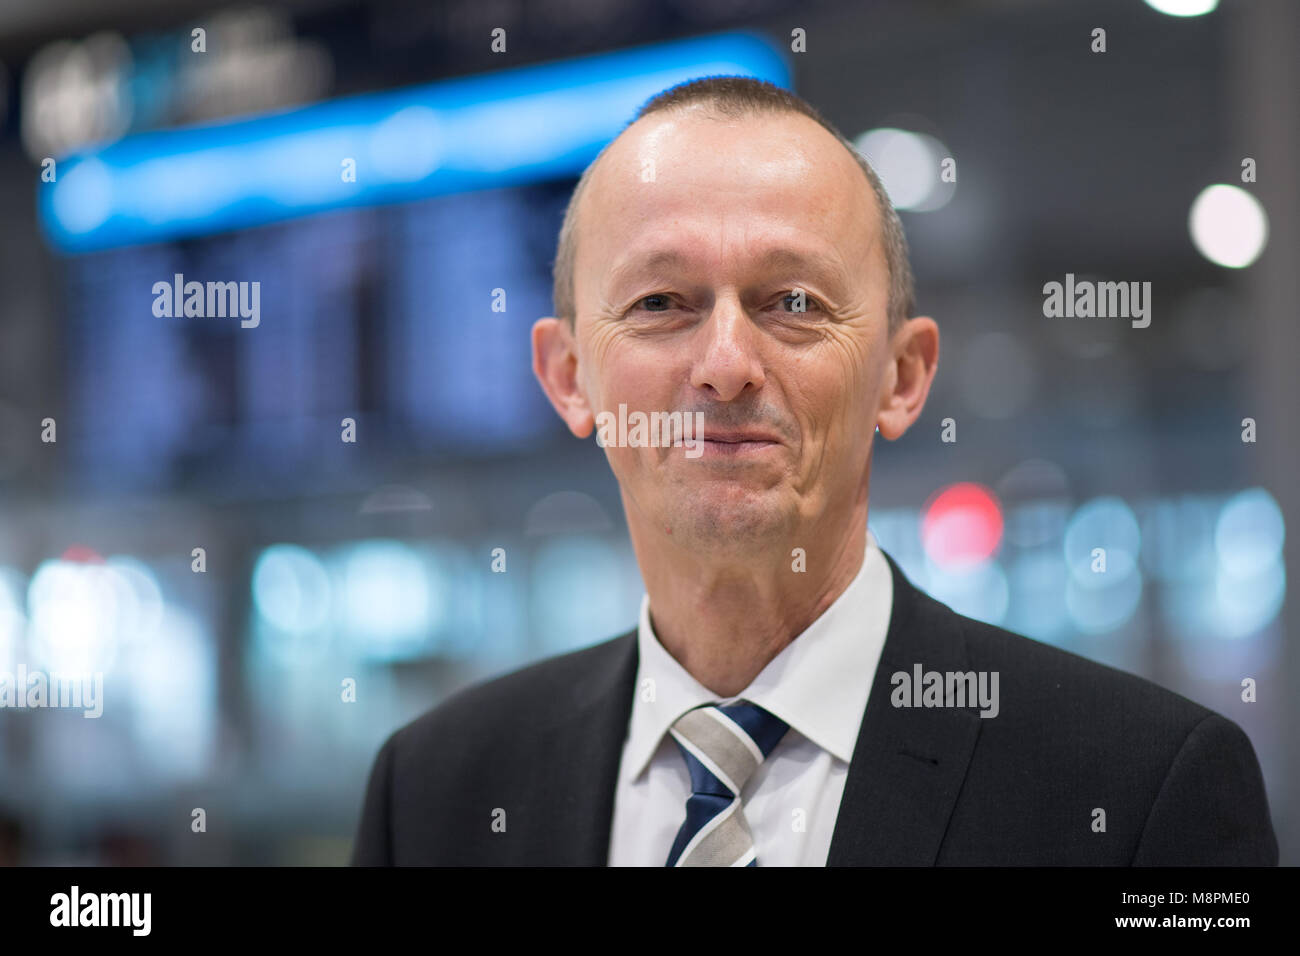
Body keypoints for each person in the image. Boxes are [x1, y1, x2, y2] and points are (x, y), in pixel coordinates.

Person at [351, 76, 1277, 866]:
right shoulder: (434, 795)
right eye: (661, 301)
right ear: (567, 376)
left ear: (901, 375)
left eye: (792, 302)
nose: (724, 364)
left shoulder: (1145, 793)